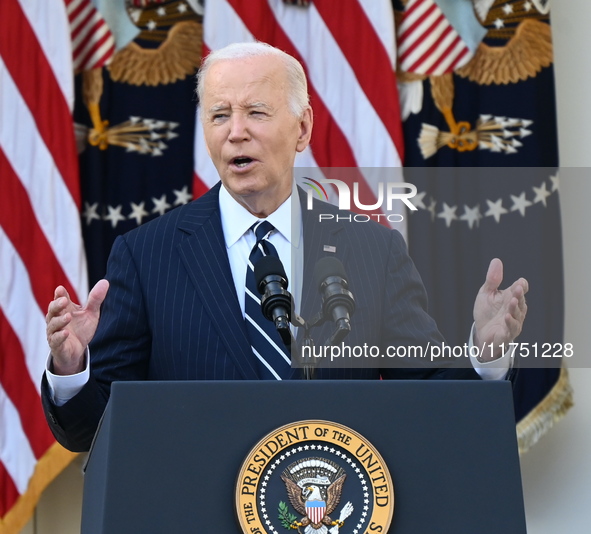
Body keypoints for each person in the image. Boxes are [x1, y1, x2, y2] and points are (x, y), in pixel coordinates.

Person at [43, 42, 528, 452]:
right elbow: (95, 426)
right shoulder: (146, 256)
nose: (236, 131)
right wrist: (71, 369)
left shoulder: (373, 251)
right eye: (219, 115)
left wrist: (483, 355)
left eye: (256, 112)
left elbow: (426, 396)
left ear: (302, 129)